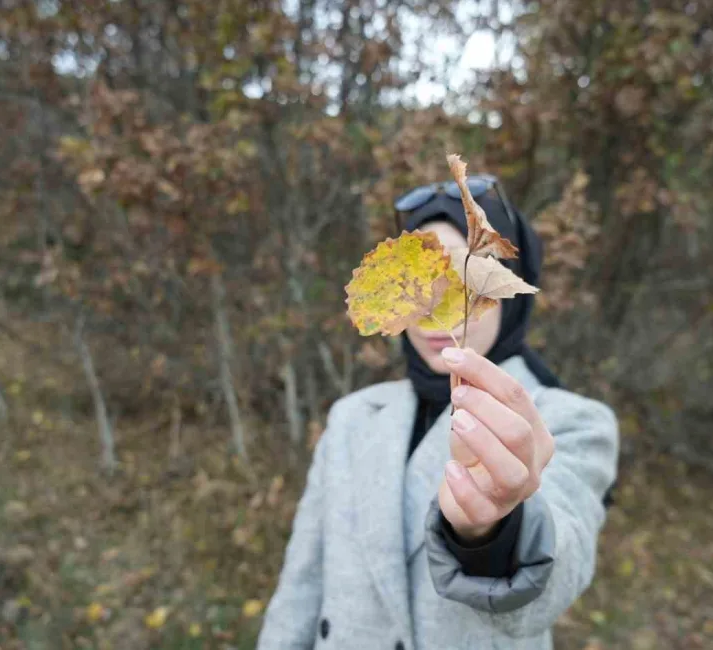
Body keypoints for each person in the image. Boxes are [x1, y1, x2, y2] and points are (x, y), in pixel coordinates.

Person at [256, 175, 619, 650]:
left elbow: (555, 571)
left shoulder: (570, 419)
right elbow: (301, 584)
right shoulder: (352, 417)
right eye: (420, 278)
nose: (436, 302)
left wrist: (494, 532)